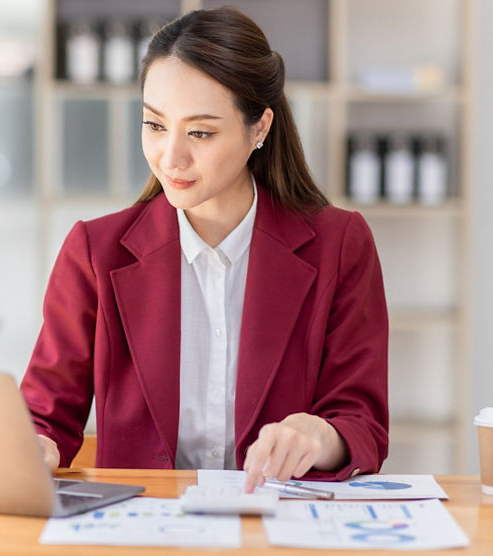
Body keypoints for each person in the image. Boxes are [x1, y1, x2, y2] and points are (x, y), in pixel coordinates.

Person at [20, 6, 388, 493]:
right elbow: (45, 412)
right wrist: (35, 444)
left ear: (258, 129)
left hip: (278, 525)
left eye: (200, 132)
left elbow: (363, 422)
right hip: (144, 526)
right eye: (155, 125)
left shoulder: (340, 245)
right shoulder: (95, 251)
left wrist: (322, 435)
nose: (170, 158)